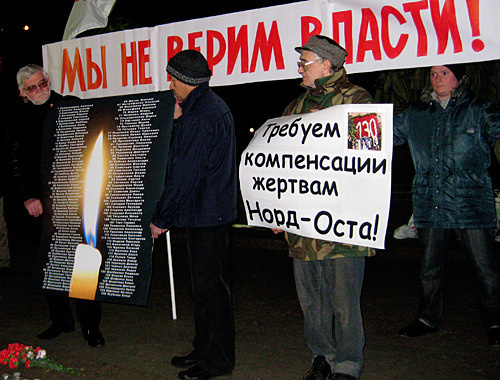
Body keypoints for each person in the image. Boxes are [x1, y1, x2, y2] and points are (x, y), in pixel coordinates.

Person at [272, 35, 374, 380]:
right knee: (311, 301)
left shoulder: (357, 100)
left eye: (305, 62)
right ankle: (322, 357)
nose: (299, 68)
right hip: (301, 226)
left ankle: (347, 363)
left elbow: (367, 160)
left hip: (342, 226)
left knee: (345, 301)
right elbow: (278, 166)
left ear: (326, 65)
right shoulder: (294, 107)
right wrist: (275, 209)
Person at [394, 64, 500, 346]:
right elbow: (378, 134)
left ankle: (495, 322)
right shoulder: (416, 113)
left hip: (472, 203)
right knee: (430, 268)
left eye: (444, 73)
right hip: (431, 204)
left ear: (459, 77)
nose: (437, 79)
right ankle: (427, 318)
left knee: (485, 269)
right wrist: (338, 122)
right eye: (432, 74)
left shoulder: (480, 109)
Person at [150, 50, 237, 380]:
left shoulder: (201, 115)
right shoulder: (200, 108)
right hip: (205, 213)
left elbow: (184, 173)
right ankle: (203, 349)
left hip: (208, 215)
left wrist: (162, 217)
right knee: (202, 289)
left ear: (183, 80)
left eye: (171, 77)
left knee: (213, 292)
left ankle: (217, 362)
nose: (169, 83)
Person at [9, 64, 105, 347]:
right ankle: (60, 320)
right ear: (22, 92)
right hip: (40, 205)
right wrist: (27, 196)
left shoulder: (70, 105)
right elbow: (12, 160)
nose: (39, 90)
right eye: (32, 87)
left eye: (42, 83)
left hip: (75, 202)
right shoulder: (16, 118)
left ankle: (91, 326)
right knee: (51, 263)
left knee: (83, 265)